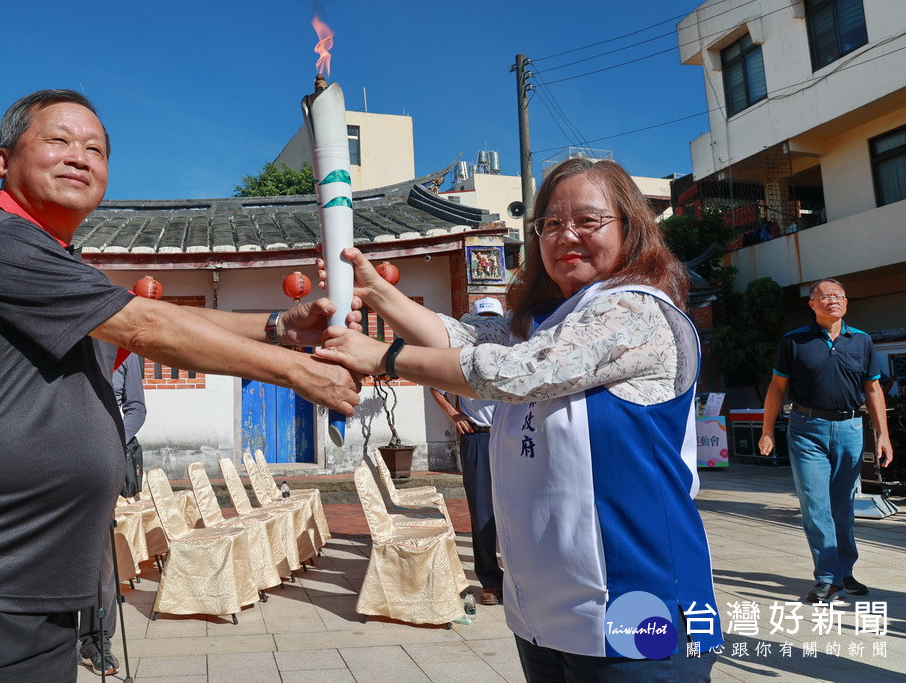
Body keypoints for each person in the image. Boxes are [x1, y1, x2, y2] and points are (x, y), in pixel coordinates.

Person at [0, 89, 360, 683]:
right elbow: (148, 324)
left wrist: (278, 326)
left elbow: (142, 314)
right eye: (58, 141)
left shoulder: (63, 268)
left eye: (95, 149)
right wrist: (298, 371)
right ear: (3, 161)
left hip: (35, 589)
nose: (80, 157)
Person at [317, 157, 721, 681]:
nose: (565, 235)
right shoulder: (550, 319)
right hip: (547, 612)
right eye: (551, 223)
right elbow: (467, 341)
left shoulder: (639, 310)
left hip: (638, 598)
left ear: (631, 228)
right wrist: (379, 292)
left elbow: (517, 371)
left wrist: (383, 358)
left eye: (588, 220)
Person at [759, 278, 893, 604]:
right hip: (806, 429)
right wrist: (766, 430)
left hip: (849, 429)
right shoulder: (794, 341)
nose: (832, 300)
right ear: (812, 303)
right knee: (816, 505)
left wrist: (883, 435)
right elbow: (777, 388)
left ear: (846, 302)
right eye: (824, 296)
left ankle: (844, 571)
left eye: (838, 295)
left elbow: (873, 389)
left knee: (843, 507)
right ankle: (827, 578)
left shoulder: (862, 341)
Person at [428, 299, 504, 607]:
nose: (488, 326)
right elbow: (431, 381)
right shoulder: (461, 357)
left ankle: (522, 577)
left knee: (519, 509)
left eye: (492, 320)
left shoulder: (512, 350)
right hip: (478, 440)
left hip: (511, 438)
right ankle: (490, 581)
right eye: (482, 320)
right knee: (483, 511)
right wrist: (452, 413)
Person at [78, 352, 146, 675]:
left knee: (102, 561)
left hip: (102, 466)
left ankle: (97, 641)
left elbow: (137, 408)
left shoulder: (124, 353)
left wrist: (112, 439)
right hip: (63, 460)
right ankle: (61, 638)